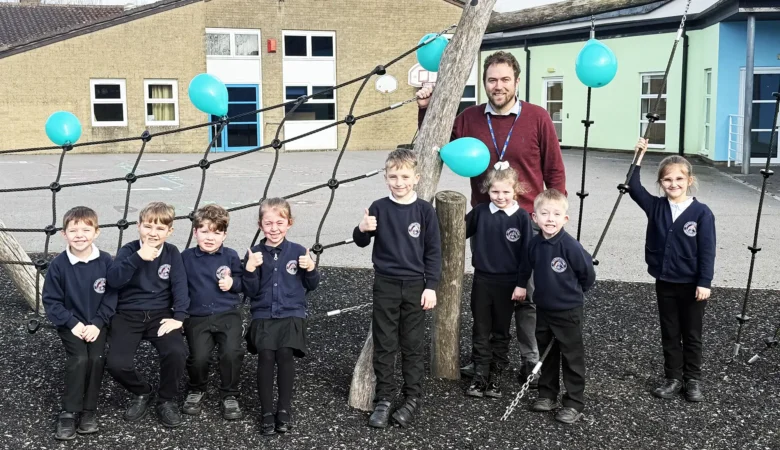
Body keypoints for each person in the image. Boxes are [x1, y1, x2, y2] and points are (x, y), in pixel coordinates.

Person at [417, 50, 567, 384]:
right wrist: (425, 109)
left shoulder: (538, 117)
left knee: (528, 296)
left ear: (517, 81)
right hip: (486, 219)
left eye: (505, 79)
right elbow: (436, 148)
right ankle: (483, 358)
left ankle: (530, 361)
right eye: (491, 80)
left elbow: (554, 171)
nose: (498, 86)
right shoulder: (469, 119)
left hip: (528, 220)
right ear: (484, 82)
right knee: (487, 294)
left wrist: (554, 218)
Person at [353, 148, 442, 429]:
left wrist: (431, 286)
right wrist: (362, 228)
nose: (399, 182)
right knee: (385, 343)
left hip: (415, 286)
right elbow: (361, 241)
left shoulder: (425, 211)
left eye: (405, 176)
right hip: (386, 284)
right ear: (385, 178)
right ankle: (384, 398)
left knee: (412, 344)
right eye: (393, 176)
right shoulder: (379, 207)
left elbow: (433, 252)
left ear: (416, 178)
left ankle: (412, 397)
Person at [628, 138, 715, 402]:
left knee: (692, 333)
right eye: (667, 179)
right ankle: (673, 378)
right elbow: (633, 186)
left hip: (692, 285)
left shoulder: (702, 213)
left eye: (679, 179)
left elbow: (707, 251)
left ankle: (693, 380)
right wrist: (638, 155)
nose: (673, 184)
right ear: (660, 183)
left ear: (689, 180)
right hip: (665, 281)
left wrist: (704, 282)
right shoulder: (656, 207)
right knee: (670, 331)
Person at [105, 202, 190, 428]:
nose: (153, 233)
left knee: (176, 352)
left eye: (160, 228)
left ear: (169, 231)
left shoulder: (171, 253)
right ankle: (143, 391)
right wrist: (138, 257)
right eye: (148, 226)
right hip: (128, 313)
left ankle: (166, 399)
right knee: (116, 364)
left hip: (160, 314)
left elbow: (180, 286)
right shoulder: (129, 250)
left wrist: (179, 317)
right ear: (138, 226)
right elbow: (113, 280)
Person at [519, 189, 595, 424]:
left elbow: (587, 274)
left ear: (565, 218)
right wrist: (520, 286)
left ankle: (573, 403)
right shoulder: (534, 244)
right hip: (544, 309)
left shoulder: (571, 247)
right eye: (544, 214)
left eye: (556, 214)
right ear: (535, 217)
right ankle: (547, 394)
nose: (550, 219)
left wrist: (572, 294)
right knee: (547, 354)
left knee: (572, 357)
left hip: (568, 310)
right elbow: (526, 267)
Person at [245, 198, 320, 436]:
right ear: (260, 225)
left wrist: (311, 268)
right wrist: (249, 269)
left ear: (289, 223)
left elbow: (312, 285)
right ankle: (267, 412)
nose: (274, 228)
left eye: (280, 222)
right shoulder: (254, 253)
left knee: (285, 354)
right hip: (264, 315)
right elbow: (250, 291)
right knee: (266, 356)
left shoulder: (298, 251)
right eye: (268, 223)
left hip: (291, 314)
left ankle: (284, 409)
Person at [180, 204, 261, 420]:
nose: (210, 237)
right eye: (204, 231)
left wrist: (233, 283)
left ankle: (229, 394)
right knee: (199, 357)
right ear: (195, 232)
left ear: (224, 235)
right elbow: (177, 287)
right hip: (197, 316)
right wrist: (178, 315)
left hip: (227, 314)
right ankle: (196, 388)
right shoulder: (185, 257)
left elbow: (244, 284)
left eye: (216, 232)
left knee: (231, 353)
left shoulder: (231, 256)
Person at [43, 206, 117, 440]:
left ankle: (88, 410)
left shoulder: (106, 261)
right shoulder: (58, 265)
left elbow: (111, 296)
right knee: (79, 359)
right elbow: (51, 301)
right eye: (73, 230)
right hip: (71, 324)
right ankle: (68, 411)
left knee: (96, 358)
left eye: (86, 229)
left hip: (97, 324)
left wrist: (98, 323)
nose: (80, 235)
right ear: (64, 234)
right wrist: (72, 323)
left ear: (96, 232)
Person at [463, 163, 532, 399]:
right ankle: (480, 376)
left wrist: (521, 284)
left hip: (508, 283)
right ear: (487, 190)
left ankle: (495, 376)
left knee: (501, 331)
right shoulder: (480, 212)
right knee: (481, 328)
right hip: (483, 280)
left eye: (505, 192)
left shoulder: (522, 218)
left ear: (516, 190)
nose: (500, 196)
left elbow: (527, 256)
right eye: (495, 191)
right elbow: (457, 231)